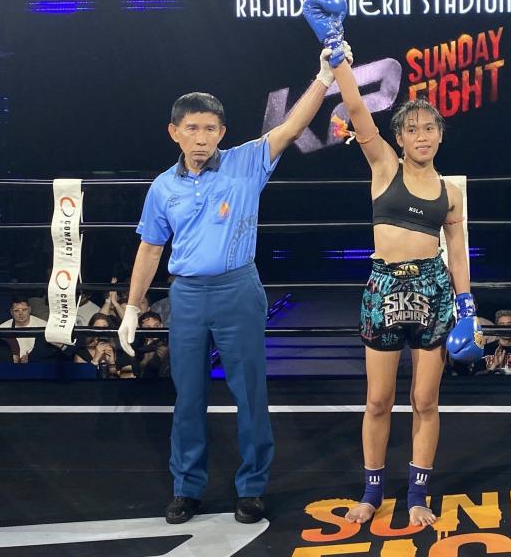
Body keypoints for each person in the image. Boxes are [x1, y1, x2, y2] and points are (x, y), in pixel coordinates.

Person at [116, 41, 350, 524]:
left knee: (250, 394)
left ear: (222, 132)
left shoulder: (247, 161)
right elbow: (150, 249)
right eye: (192, 128)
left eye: (210, 128)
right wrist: (134, 307)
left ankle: (252, 488)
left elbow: (292, 127)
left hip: (238, 289)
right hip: (186, 296)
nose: (201, 137)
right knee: (188, 398)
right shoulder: (162, 187)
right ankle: (186, 488)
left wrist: (325, 77)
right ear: (174, 132)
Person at [312, 0, 480, 528]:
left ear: (440, 135)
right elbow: (359, 112)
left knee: (426, 400)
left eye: (430, 128)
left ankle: (417, 496)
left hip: (433, 290)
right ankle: (371, 492)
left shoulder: (451, 191)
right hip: (384, 288)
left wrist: (467, 306)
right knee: (379, 400)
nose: (422, 136)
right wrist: (337, 52)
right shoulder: (384, 165)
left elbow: (457, 252)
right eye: (412, 129)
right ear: (400, 137)